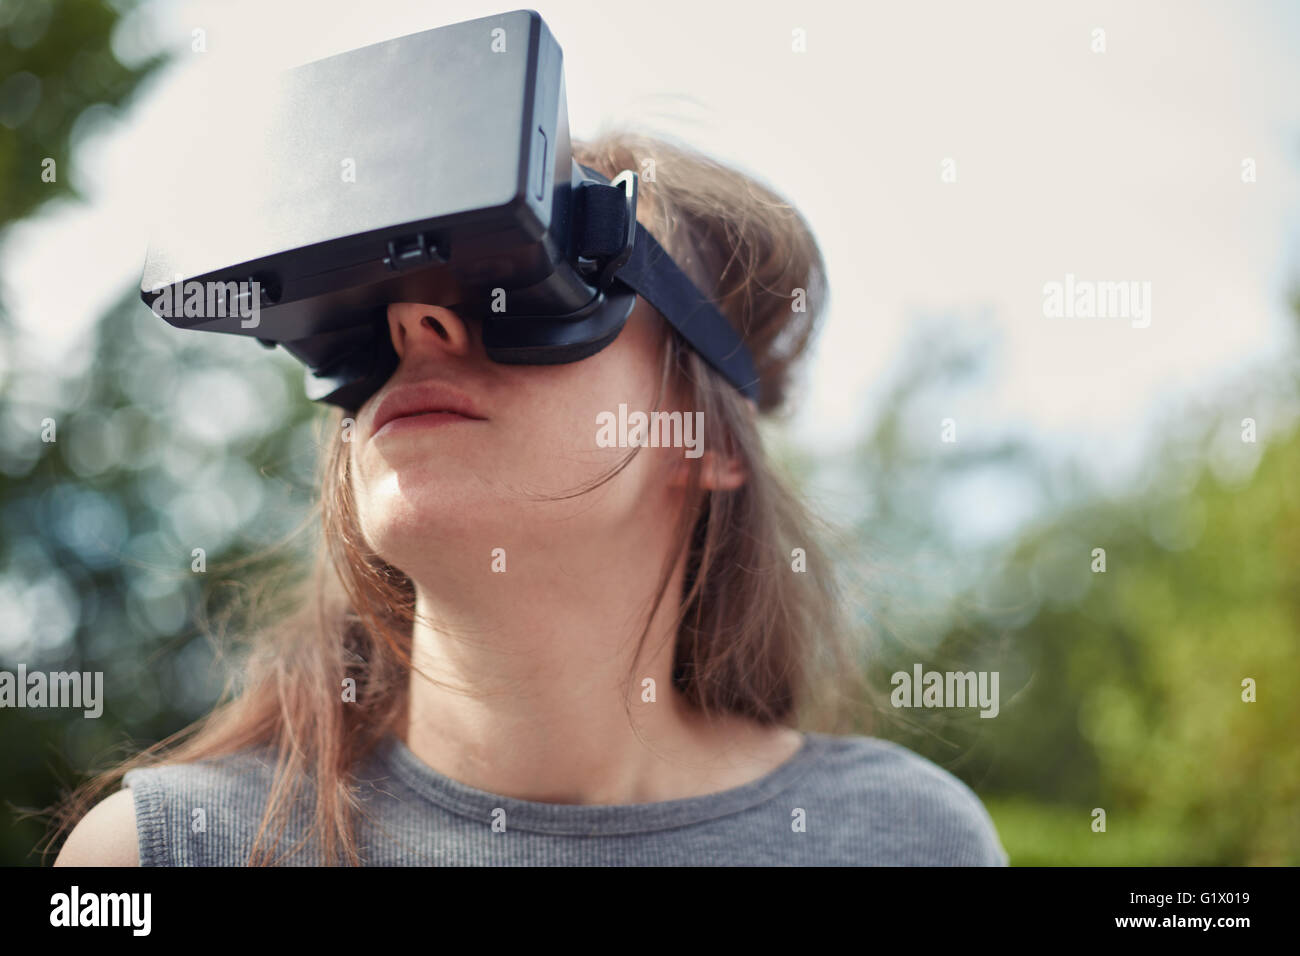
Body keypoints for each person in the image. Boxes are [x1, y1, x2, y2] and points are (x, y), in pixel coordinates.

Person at [52, 131, 1008, 866]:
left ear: (711, 438)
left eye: (529, 278)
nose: (415, 321)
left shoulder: (902, 840)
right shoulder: (158, 854)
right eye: (368, 309)